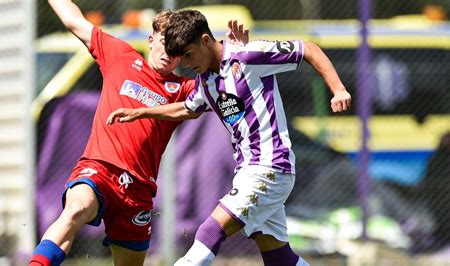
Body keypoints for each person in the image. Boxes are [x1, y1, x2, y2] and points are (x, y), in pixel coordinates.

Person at [107, 9, 352, 266]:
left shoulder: (248, 56)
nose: (187, 64)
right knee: (279, 258)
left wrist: (338, 90)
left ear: (204, 40)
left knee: (210, 231)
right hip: (248, 170)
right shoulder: (205, 81)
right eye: (182, 58)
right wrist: (141, 112)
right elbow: (187, 109)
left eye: (189, 55)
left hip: (269, 167)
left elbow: (309, 49)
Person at [30, 1, 248, 265]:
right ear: (150, 39)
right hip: (100, 170)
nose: (169, 52)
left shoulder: (185, 89)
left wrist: (236, 57)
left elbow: (230, 96)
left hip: (138, 192)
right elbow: (73, 20)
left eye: (177, 50)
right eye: (164, 42)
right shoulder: (120, 55)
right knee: (76, 209)